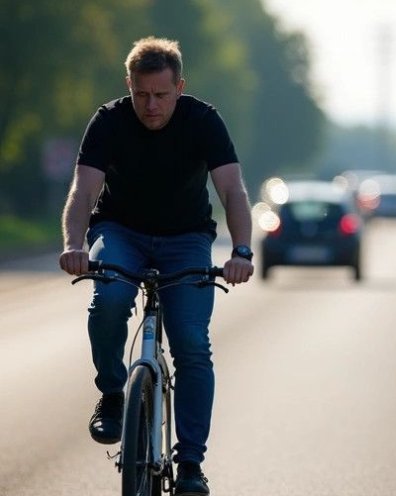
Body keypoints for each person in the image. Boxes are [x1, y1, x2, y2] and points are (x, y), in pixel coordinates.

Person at [59, 36, 254, 495]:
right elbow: (83, 192)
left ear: (179, 87)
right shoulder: (108, 121)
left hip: (185, 238)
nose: (150, 106)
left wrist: (241, 252)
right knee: (108, 297)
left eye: (161, 95)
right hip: (120, 232)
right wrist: (73, 244)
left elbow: (232, 192)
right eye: (141, 94)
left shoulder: (203, 120)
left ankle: (190, 465)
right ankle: (112, 393)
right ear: (129, 85)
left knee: (190, 344)